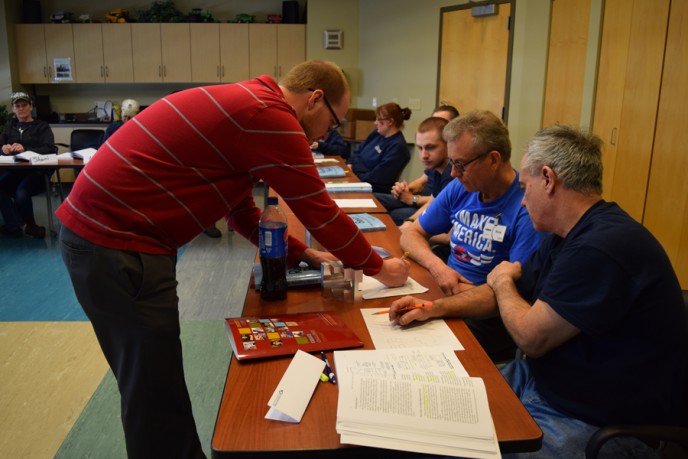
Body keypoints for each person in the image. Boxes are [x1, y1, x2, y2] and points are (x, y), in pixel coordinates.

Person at [56, 59, 409, 459]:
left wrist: (306, 254)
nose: (330, 132)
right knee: (152, 389)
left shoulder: (250, 106)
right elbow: (321, 212)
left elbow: (241, 214)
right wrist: (379, 267)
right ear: (314, 99)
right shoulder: (271, 118)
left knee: (155, 380)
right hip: (117, 244)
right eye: (334, 121)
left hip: (108, 238)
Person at [390, 125, 688, 457]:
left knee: (460, 448)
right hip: (543, 381)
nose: (522, 199)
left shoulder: (603, 246)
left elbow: (530, 336)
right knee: (432, 420)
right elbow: (501, 294)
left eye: (524, 187)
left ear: (547, 179)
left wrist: (501, 280)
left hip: (592, 416)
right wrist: (433, 308)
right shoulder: (565, 235)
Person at [400, 110, 542, 362]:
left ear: (493, 160)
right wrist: (439, 268)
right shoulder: (462, 186)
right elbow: (411, 234)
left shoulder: (526, 209)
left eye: (460, 164)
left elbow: (505, 296)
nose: (453, 173)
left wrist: (446, 300)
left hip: (485, 318)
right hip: (446, 290)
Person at [375, 117, 453, 225]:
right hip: (424, 210)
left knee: (393, 215)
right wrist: (409, 221)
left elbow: (441, 219)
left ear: (448, 145)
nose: (424, 155)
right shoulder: (437, 170)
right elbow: (431, 203)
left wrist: (410, 227)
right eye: (420, 148)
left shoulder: (452, 174)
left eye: (430, 148)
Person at [0, 91, 57, 238]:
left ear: (30, 107)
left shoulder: (42, 127)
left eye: (24, 105)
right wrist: (3, 149)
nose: (21, 108)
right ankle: (16, 225)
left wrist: (26, 149)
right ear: (13, 109)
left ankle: (29, 225)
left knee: (21, 193)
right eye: (17, 106)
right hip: (13, 171)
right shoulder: (9, 127)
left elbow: (50, 149)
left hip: (36, 172)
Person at [347, 102, 411, 193]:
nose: (375, 123)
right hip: (355, 177)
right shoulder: (376, 134)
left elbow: (376, 177)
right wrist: (350, 165)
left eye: (379, 120)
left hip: (372, 189)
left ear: (390, 122)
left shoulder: (398, 147)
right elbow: (358, 152)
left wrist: (353, 169)